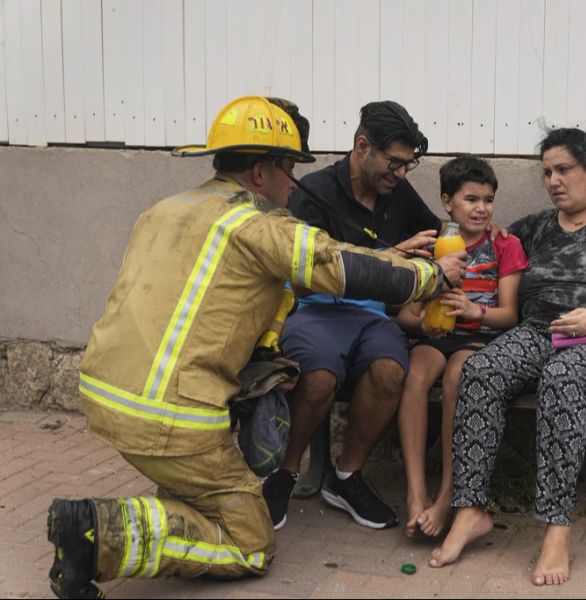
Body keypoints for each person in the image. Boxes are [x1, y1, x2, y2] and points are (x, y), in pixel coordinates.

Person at [45, 96, 465, 600]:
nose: (295, 182)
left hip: (104, 394)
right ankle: (96, 533)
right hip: (169, 416)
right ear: (263, 172)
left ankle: (126, 523)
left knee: (199, 495)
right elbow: (342, 266)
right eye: (289, 167)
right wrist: (430, 275)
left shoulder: (167, 208)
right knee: (251, 542)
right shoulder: (259, 225)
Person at [429, 128, 586, 586]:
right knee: (481, 370)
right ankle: (470, 510)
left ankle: (557, 528)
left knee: (562, 376)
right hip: (539, 331)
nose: (553, 181)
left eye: (563, 169)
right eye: (546, 172)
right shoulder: (538, 226)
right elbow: (489, 239)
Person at [263, 101, 446, 531]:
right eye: (395, 163)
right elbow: (304, 282)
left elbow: (436, 232)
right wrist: (390, 256)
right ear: (363, 146)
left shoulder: (396, 190)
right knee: (319, 377)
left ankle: (346, 476)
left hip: (372, 316)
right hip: (314, 311)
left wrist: (478, 232)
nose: (401, 174)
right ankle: (285, 473)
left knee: (389, 373)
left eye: (408, 166)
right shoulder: (314, 191)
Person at [395, 157, 527, 539]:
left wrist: (475, 311)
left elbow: (510, 315)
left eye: (488, 200)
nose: (481, 208)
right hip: (437, 335)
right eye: (471, 199)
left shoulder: (505, 245)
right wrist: (424, 324)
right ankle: (416, 492)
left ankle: (448, 494)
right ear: (447, 202)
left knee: (459, 377)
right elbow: (406, 315)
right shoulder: (434, 245)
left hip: (480, 339)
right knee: (415, 376)